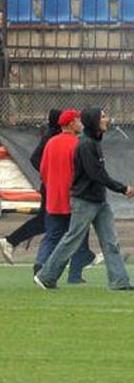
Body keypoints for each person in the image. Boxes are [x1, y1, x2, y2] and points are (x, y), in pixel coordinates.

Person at [35, 108, 134, 291]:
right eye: (103, 117)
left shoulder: (92, 142)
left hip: (98, 201)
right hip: (85, 201)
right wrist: (122, 188)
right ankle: (46, 276)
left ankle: (120, 281)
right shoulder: (86, 145)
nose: (107, 119)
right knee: (72, 239)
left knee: (110, 241)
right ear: (94, 120)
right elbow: (96, 174)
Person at [33, 109, 97, 284]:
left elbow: (43, 170)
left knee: (52, 235)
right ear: (71, 123)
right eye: (77, 121)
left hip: (54, 197)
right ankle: (74, 275)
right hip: (74, 197)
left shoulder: (51, 143)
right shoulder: (78, 143)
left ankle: (40, 264)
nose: (80, 124)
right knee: (78, 236)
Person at [0, 109, 62, 264]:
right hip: (51, 185)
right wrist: (50, 173)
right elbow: (35, 158)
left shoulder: (53, 135)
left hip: (51, 184)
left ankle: (12, 240)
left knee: (45, 221)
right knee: (49, 221)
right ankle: (12, 241)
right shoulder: (51, 137)